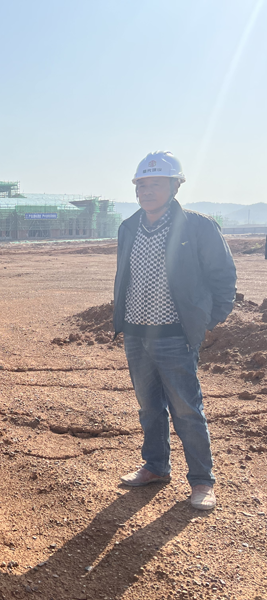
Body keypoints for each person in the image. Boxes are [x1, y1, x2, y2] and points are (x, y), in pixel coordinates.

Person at [114, 151, 236, 510]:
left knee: (186, 410)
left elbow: (223, 276)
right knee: (149, 407)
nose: (147, 191)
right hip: (136, 334)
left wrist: (204, 320)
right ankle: (155, 467)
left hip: (174, 336)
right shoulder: (129, 227)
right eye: (142, 185)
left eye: (156, 184)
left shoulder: (198, 226)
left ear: (175, 186)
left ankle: (201, 481)